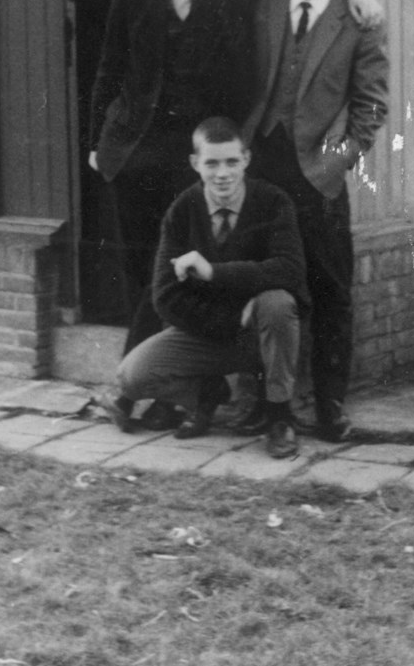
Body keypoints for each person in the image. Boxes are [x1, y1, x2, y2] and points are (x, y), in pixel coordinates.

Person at [87, 0, 382, 400]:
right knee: (148, 277)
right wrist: (96, 144)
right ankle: (175, 392)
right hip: (138, 158)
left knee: (208, 274)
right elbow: (107, 72)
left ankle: (160, 393)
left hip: (212, 164)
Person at [242, 0, 389, 444]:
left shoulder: (359, 19)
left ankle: (329, 405)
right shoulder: (268, 6)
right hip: (264, 166)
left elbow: (372, 106)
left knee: (331, 291)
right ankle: (267, 405)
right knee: (266, 285)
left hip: (320, 176)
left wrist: (337, 161)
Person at [107, 116, 307, 460]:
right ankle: (205, 393)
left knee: (277, 302)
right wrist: (230, 321)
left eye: (231, 161)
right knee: (131, 377)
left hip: (261, 336)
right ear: (195, 163)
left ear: (246, 159)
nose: (223, 173)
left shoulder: (273, 202)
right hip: (209, 334)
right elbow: (165, 296)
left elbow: (290, 270)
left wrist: (213, 271)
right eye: (211, 163)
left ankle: (279, 416)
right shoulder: (182, 211)